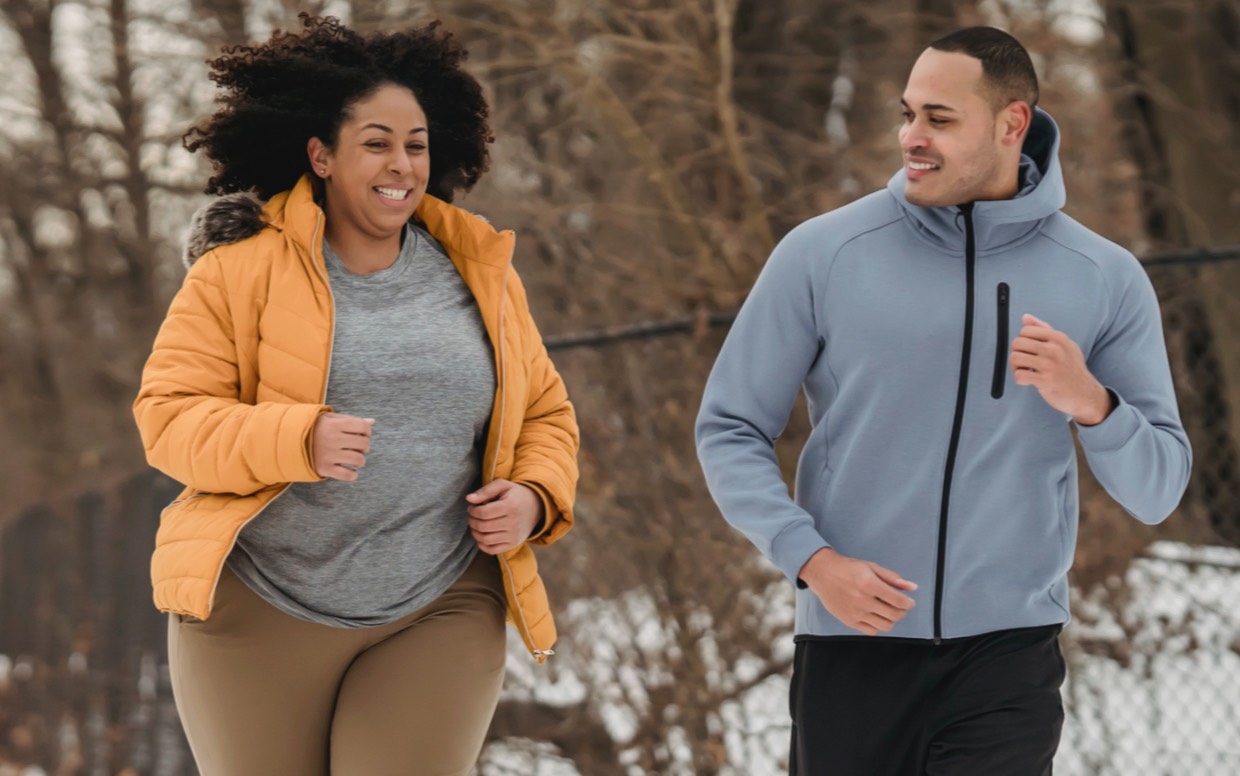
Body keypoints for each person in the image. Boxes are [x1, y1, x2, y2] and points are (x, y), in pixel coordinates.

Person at [695, 26, 1190, 775]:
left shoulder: (1102, 276)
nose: (910, 138)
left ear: (1011, 124)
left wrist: (1093, 402)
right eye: (907, 113)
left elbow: (1160, 488)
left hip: (1007, 659)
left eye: (939, 119)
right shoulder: (823, 254)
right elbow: (729, 427)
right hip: (851, 646)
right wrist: (813, 561)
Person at [133, 15, 578, 776]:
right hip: (262, 608)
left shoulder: (479, 271)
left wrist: (535, 495)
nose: (400, 163)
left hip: (438, 600)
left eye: (416, 144)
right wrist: (295, 440)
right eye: (376, 142)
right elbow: (168, 420)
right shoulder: (237, 272)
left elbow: (544, 411)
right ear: (322, 155)